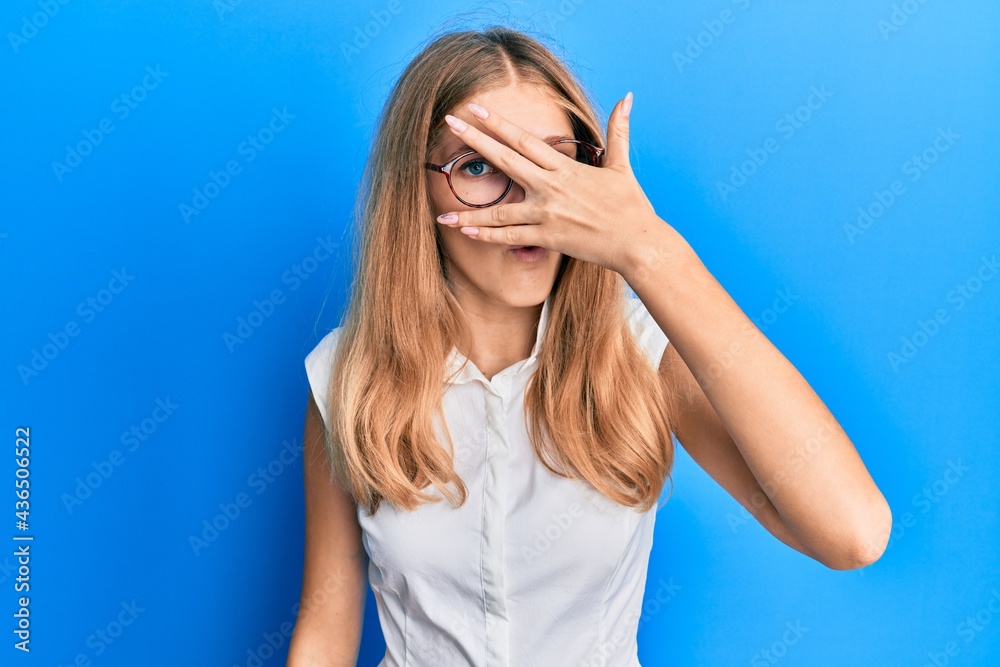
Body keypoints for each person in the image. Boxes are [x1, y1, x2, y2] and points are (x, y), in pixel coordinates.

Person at [286, 25, 892, 667]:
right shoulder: (348, 378)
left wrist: (646, 248)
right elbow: (325, 627)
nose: (529, 201)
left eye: (554, 163)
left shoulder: (641, 361)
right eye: (478, 166)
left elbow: (853, 534)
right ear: (416, 188)